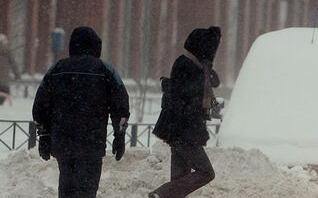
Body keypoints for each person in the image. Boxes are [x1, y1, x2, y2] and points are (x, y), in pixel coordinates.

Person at [32, 27, 130, 198]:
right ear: (95, 47)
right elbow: (120, 105)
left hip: (63, 142)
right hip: (92, 142)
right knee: (87, 190)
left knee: (66, 188)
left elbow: (40, 106)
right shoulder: (105, 70)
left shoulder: (57, 68)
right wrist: (119, 135)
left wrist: (45, 135)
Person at [150, 26, 221, 198]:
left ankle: (164, 195)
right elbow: (181, 97)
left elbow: (215, 81)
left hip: (181, 131)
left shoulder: (199, 67)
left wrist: (207, 68)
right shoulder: (186, 65)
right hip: (184, 131)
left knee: (180, 178)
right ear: (202, 48)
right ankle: (161, 194)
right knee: (206, 172)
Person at [0, 34, 20, 106]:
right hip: (4, 81)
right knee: (4, 95)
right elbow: (13, 64)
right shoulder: (8, 51)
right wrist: (17, 74)